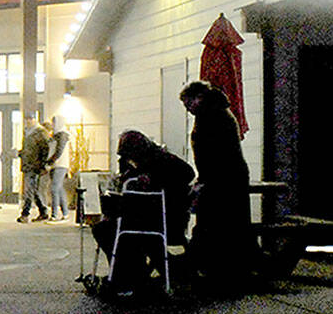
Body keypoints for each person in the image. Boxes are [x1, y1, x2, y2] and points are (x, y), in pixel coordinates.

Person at [92, 130, 196, 291]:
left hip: (164, 219)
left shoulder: (162, 160)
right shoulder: (141, 163)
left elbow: (188, 173)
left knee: (109, 230)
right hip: (149, 217)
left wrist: (153, 180)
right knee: (106, 228)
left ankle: (128, 275)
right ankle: (129, 273)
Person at [180, 80, 254, 283]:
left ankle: (214, 266)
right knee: (227, 222)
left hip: (222, 178)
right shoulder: (217, 112)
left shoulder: (211, 117)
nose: (188, 110)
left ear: (199, 98)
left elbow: (215, 154)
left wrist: (204, 180)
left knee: (214, 222)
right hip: (228, 176)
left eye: (188, 104)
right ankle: (224, 266)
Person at [17, 115, 51, 223]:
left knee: (29, 190)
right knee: (33, 190)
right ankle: (43, 211)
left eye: (29, 119)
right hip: (27, 165)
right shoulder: (27, 132)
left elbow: (45, 150)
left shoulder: (41, 133)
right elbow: (27, 150)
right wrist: (20, 153)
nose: (27, 122)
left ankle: (25, 213)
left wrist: (43, 165)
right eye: (26, 120)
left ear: (34, 120)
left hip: (35, 166)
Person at [45, 115, 71, 223]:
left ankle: (54, 215)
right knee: (59, 189)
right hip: (56, 165)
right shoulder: (56, 135)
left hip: (60, 165)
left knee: (54, 188)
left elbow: (59, 151)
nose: (52, 124)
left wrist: (50, 162)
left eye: (54, 122)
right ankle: (65, 213)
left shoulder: (62, 135)